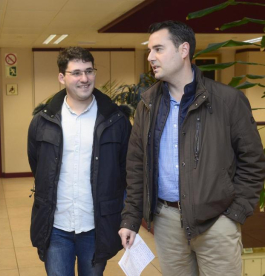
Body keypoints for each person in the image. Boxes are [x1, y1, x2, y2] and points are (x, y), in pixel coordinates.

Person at [118, 20, 265, 276]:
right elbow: (136, 165)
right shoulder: (148, 105)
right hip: (166, 222)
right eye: (149, 50)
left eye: (158, 49)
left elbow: (252, 160)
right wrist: (131, 218)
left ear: (184, 50)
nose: (150, 57)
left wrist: (235, 214)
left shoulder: (227, 101)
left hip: (217, 221)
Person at [27, 47, 132, 276]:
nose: (84, 79)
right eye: (76, 73)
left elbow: (127, 173)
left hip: (96, 225)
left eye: (89, 71)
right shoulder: (43, 120)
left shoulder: (116, 121)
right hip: (56, 227)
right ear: (62, 77)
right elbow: (38, 166)